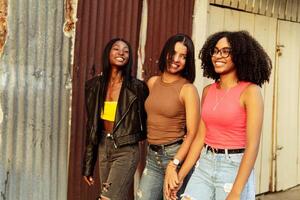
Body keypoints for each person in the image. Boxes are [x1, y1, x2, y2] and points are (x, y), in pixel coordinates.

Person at [165, 30, 272, 200]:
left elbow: (252, 146)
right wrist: (181, 175)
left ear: (239, 55)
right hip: (205, 163)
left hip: (233, 167)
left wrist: (236, 191)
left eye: (225, 51)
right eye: (215, 51)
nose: (218, 56)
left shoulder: (251, 92)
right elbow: (201, 137)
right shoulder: (208, 90)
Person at [82, 38, 149, 200]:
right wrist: (88, 165)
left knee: (107, 197)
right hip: (103, 147)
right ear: (108, 53)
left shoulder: (137, 87)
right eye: (116, 49)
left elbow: (150, 116)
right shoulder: (93, 86)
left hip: (126, 149)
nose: (121, 53)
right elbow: (92, 126)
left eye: (126, 51)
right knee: (115, 197)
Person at [136, 34, 200, 200]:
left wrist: (176, 163)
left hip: (175, 155)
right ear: (166, 54)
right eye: (174, 53)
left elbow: (193, 133)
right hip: (152, 157)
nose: (176, 59)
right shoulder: (152, 82)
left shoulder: (188, 89)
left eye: (183, 56)